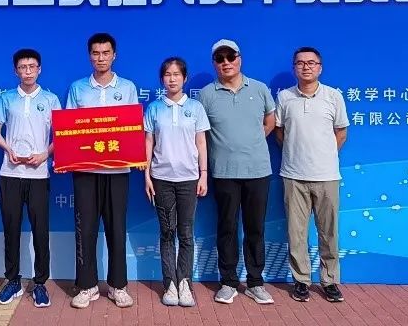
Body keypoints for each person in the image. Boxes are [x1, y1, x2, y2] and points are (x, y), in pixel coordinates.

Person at [198, 39, 276, 305]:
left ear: (239, 59)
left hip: (258, 170)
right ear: (214, 63)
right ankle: (229, 282)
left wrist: (250, 143)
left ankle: (255, 282)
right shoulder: (206, 94)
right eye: (220, 59)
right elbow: (200, 134)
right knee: (227, 228)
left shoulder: (259, 89)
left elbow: (270, 121)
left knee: (255, 228)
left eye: (230, 57)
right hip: (224, 172)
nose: (226, 63)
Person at [65, 32, 139, 309]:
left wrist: (134, 155)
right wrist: (68, 158)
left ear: (114, 55)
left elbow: (133, 127)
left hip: (117, 172)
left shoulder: (128, 88)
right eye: (96, 53)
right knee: (85, 229)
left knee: (116, 229)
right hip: (85, 171)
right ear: (89, 56)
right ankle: (87, 286)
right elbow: (70, 129)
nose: (101, 58)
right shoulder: (77, 88)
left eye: (106, 53)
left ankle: (118, 285)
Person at [275, 47, 349, 303]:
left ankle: (329, 281)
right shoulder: (284, 97)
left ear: (320, 67)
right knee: (296, 233)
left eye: (311, 63)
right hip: (293, 176)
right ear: (294, 67)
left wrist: (323, 155)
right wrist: (297, 154)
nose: (306, 67)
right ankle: (301, 280)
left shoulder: (333, 96)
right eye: (300, 63)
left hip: (326, 176)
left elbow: (341, 132)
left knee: (328, 232)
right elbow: (279, 132)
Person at [0, 49, 61, 308]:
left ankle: (40, 283)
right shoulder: (7, 98)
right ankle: (13, 281)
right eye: (23, 67)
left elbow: (61, 135)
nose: (28, 71)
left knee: (40, 231)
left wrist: (44, 155)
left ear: (39, 69)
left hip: (39, 175)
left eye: (32, 67)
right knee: (11, 229)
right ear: (16, 71)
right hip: (10, 173)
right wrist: (7, 149)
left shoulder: (51, 99)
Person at [143, 57, 209, 308]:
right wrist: (146, 175)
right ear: (162, 79)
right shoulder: (154, 108)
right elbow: (148, 143)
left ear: (185, 78)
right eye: (167, 75)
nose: (172, 79)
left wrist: (203, 174)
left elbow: (201, 142)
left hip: (189, 179)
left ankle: (185, 283)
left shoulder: (195, 107)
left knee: (186, 233)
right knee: (167, 232)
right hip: (161, 179)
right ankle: (169, 283)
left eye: (176, 75)